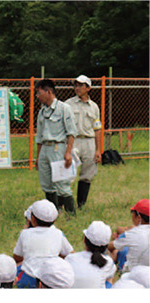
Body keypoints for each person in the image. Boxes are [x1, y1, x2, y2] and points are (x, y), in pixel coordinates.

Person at [34, 78, 78, 214]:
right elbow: (39, 137)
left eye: (39, 93)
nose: (37, 96)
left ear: (48, 92)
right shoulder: (42, 112)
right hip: (45, 150)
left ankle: (71, 213)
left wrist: (68, 152)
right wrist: (38, 157)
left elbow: (71, 132)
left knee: (62, 183)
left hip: (58, 148)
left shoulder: (64, 108)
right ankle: (53, 212)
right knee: (47, 184)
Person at [13, 199, 73, 288]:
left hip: (29, 277)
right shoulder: (58, 234)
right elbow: (70, 255)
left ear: (32, 219)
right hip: (52, 276)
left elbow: (17, 257)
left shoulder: (25, 234)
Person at [66, 75, 102, 209]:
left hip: (89, 142)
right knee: (68, 175)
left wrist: (98, 150)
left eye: (81, 85)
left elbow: (97, 128)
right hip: (73, 141)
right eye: (76, 85)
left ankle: (81, 205)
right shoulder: (68, 104)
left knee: (87, 175)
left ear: (88, 88)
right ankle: (66, 205)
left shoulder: (94, 107)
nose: (77, 88)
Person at [67, 221, 115, 288]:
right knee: (109, 278)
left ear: (84, 239)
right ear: (106, 246)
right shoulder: (108, 263)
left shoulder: (70, 258)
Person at [108, 198, 150, 272]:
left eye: (132, 213)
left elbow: (109, 246)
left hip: (132, 273)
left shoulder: (133, 233)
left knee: (117, 251)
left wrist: (115, 240)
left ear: (139, 217)